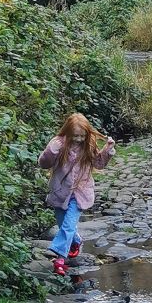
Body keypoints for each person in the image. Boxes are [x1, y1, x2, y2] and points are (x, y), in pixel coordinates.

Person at [38, 113, 116, 277]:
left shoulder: (88, 145)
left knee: (68, 226)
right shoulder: (58, 144)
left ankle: (59, 258)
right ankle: (76, 241)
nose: (79, 139)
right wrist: (51, 152)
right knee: (63, 224)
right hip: (60, 191)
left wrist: (107, 151)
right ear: (67, 132)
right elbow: (43, 164)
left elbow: (99, 164)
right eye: (75, 136)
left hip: (80, 193)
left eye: (82, 136)